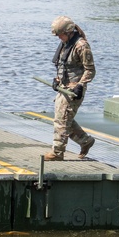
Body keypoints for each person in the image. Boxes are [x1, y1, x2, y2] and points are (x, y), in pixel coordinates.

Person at [44, 15, 96, 162]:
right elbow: (64, 66)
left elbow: (90, 70)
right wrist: (57, 80)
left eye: (60, 34)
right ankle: (85, 141)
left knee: (62, 120)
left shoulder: (81, 46)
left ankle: (57, 152)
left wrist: (80, 85)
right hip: (64, 87)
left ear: (68, 32)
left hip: (74, 89)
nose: (59, 37)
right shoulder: (65, 44)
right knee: (64, 118)